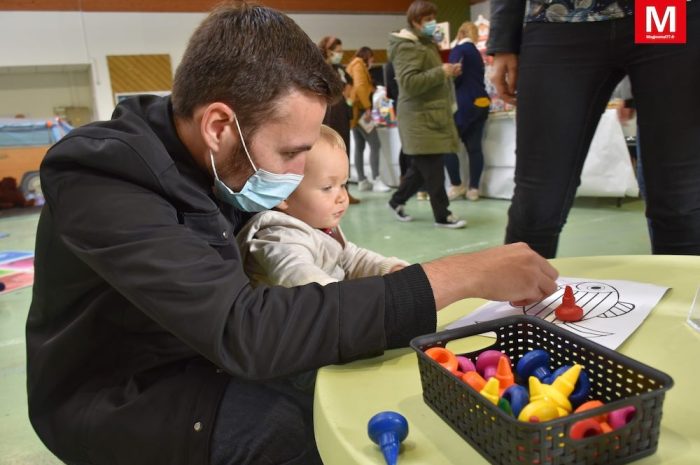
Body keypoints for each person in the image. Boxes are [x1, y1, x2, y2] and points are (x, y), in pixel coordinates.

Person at [26, 3, 559, 465]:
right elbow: (245, 331)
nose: (296, 174)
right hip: (124, 395)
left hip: (202, 352)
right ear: (219, 126)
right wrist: (459, 275)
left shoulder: (219, 166)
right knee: (296, 428)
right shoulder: (104, 179)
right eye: (289, 153)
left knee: (369, 382)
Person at [488, 0, 700, 258]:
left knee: (678, 199)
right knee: (537, 199)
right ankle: (519, 296)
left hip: (661, 8)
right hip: (560, 17)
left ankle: (688, 295)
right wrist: (503, 41)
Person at [237, 124, 407, 288]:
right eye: (327, 187)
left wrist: (390, 268)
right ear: (283, 194)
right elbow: (306, 283)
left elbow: (349, 257)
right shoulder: (280, 239)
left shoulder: (319, 226)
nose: (342, 196)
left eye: (343, 184)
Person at [387, 0, 466, 228]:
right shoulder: (407, 46)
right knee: (433, 169)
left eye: (433, 18)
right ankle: (443, 215)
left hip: (428, 115)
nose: (433, 23)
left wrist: (447, 72)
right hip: (418, 117)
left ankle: (395, 201)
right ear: (415, 21)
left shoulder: (424, 43)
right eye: (428, 19)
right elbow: (409, 83)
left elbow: (426, 76)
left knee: (421, 170)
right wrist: (441, 71)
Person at [448, 21, 490, 202]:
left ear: (460, 33)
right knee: (474, 148)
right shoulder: (477, 54)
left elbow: (451, 76)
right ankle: (474, 188)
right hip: (481, 102)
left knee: (447, 147)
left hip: (463, 105)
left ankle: (457, 185)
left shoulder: (459, 50)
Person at [318, 35, 361, 204]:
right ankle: (326, 191)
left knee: (344, 149)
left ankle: (345, 190)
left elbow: (350, 83)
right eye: (338, 51)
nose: (340, 54)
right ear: (328, 51)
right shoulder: (320, 68)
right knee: (329, 150)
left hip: (342, 111)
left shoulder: (340, 69)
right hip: (328, 113)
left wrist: (348, 97)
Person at [346, 47, 391, 193]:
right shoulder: (359, 65)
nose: (373, 61)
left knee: (359, 146)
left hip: (353, 111)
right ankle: (376, 179)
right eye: (372, 58)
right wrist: (367, 107)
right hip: (360, 111)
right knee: (375, 144)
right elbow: (360, 87)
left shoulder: (352, 65)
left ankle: (362, 180)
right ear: (367, 56)